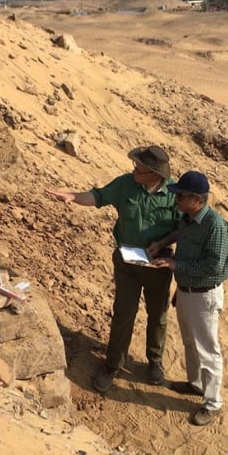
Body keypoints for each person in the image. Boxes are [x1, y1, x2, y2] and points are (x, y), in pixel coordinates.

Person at [47, 145, 180, 393]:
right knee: (123, 314)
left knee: (158, 314)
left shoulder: (174, 193)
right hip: (127, 263)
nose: (134, 170)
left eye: (139, 168)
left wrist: (161, 244)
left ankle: (155, 362)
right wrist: (73, 197)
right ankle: (112, 365)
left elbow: (182, 228)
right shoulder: (126, 184)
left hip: (158, 264)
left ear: (154, 173)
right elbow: (98, 196)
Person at [151, 171, 228, 426]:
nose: (176, 200)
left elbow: (215, 267)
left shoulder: (215, 226)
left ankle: (212, 403)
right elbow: (179, 234)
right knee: (190, 342)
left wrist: (177, 266)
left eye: (181, 196)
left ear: (197, 199)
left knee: (208, 350)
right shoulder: (188, 218)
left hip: (204, 296)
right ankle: (195, 384)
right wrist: (163, 242)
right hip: (186, 291)